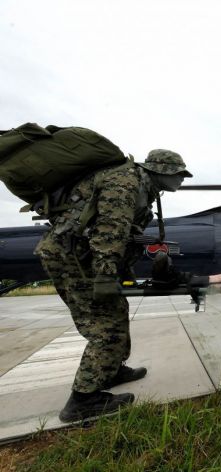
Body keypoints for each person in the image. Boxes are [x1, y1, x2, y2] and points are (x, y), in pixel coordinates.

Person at [35, 149, 193, 422]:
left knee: (117, 309)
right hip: (72, 259)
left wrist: (123, 274)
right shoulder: (125, 182)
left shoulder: (144, 188)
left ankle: (110, 370)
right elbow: (110, 232)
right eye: (179, 174)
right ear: (161, 170)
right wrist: (105, 278)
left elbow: (125, 235)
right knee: (104, 326)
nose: (181, 180)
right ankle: (83, 401)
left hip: (83, 257)